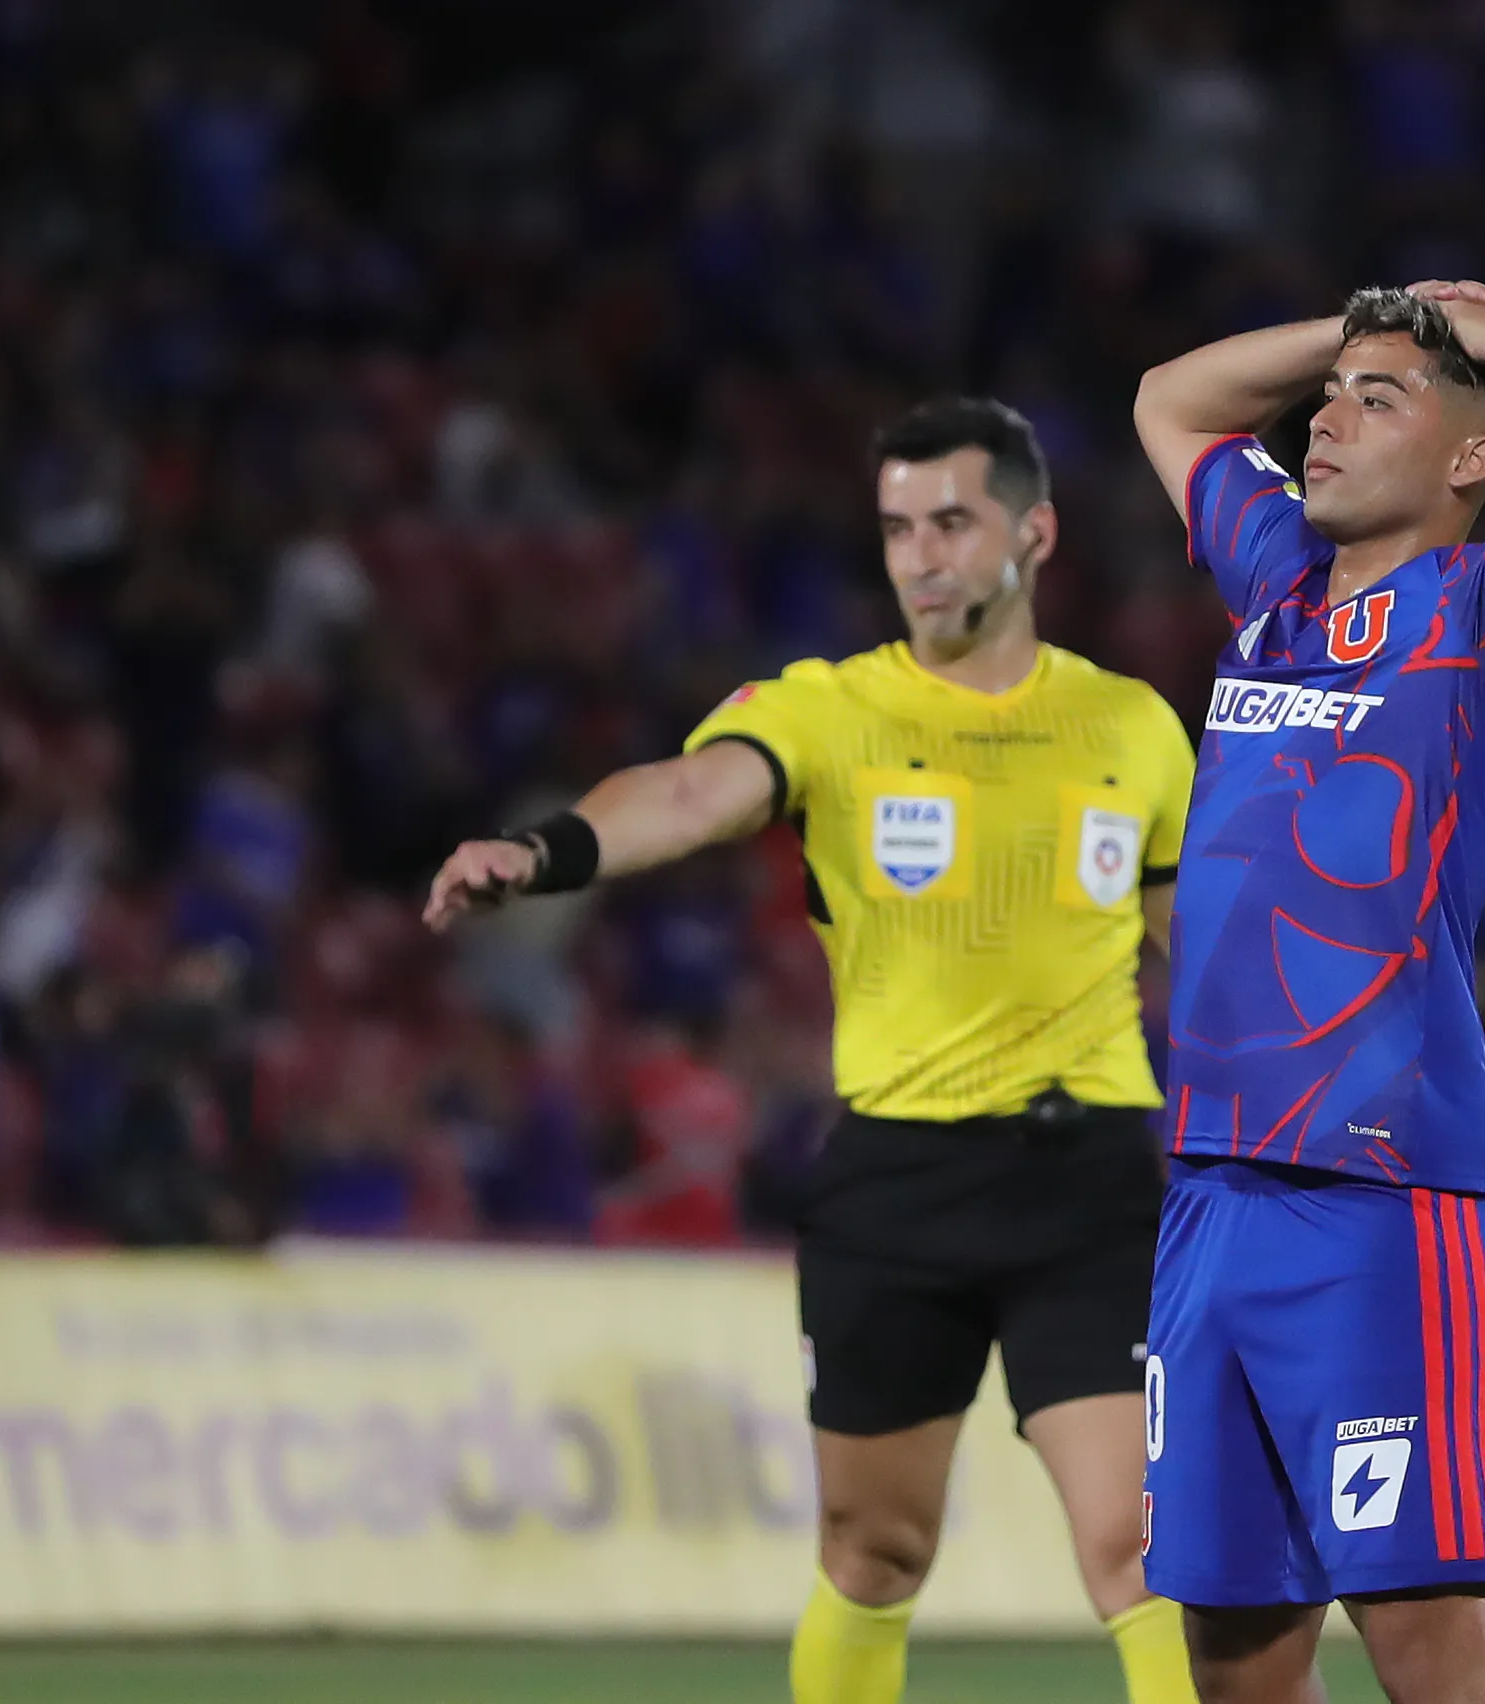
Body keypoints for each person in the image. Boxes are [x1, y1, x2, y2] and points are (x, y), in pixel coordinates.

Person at [424, 397, 1202, 1704]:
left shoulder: (1134, 727)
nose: (919, 554)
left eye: (951, 520)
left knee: (1138, 1545)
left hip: (1093, 1186)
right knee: (873, 1548)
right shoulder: (827, 711)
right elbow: (683, 794)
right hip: (898, 1181)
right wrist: (546, 850)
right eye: (897, 526)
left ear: (1036, 531)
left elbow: (1208, 958)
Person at [1130, 280, 1485, 1703]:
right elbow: (1169, 397)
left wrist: (1477, 341)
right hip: (1209, 1190)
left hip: (1380, 1192)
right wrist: (1377, 324)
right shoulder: (1276, 581)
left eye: (1378, 401)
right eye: (1329, 397)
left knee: (1428, 1654)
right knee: (1232, 1662)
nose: (1327, 416)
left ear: (1474, 458)